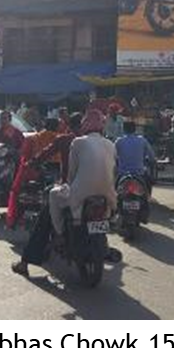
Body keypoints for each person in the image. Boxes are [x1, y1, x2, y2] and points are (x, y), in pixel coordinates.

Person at [12, 110, 116, 276]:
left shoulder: (71, 141)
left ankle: (34, 255)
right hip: (107, 195)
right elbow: (112, 170)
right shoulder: (109, 144)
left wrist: (32, 166)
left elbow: (71, 174)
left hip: (75, 190)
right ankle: (104, 245)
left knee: (45, 215)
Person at [115, 120, 156, 188]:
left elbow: (113, 156)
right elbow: (152, 156)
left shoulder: (119, 141)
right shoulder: (142, 140)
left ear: (124, 129)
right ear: (135, 129)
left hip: (122, 173)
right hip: (139, 173)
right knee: (148, 186)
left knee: (115, 190)